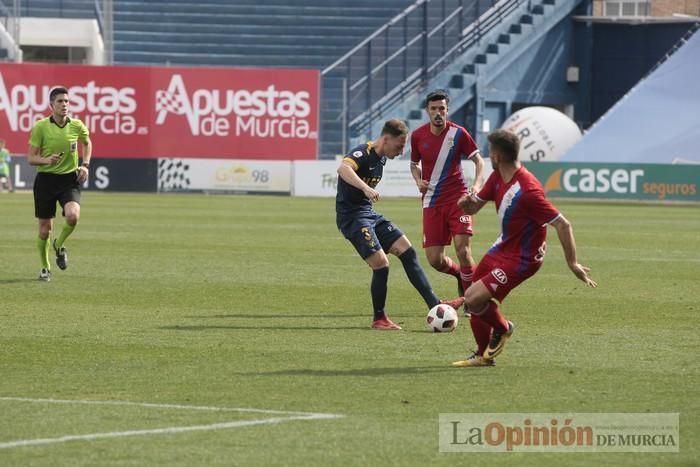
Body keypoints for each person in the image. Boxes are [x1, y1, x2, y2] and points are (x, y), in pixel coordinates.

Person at [452, 129, 597, 367]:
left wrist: (573, 263)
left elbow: (562, 224)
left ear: (497, 156)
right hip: (503, 246)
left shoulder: (528, 190)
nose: (490, 156)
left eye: (491, 152)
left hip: (523, 258)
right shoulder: (497, 176)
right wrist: (467, 204)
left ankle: (504, 328)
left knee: (473, 298)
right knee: (474, 300)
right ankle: (482, 356)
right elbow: (474, 207)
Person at [336, 118, 464, 330]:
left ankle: (435, 305)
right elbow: (343, 169)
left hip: (368, 214)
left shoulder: (382, 159)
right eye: (399, 145)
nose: (401, 150)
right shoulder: (363, 153)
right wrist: (366, 189)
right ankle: (379, 319)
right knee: (381, 264)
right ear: (386, 139)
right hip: (352, 218)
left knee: (408, 251)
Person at [410, 89, 485, 298]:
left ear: (447, 110)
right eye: (433, 109)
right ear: (427, 110)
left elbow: (479, 161)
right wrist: (418, 180)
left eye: (441, 108)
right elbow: (414, 164)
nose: (438, 113)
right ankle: (463, 276)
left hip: (458, 200)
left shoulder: (458, 133)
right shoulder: (417, 136)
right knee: (435, 260)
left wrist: (476, 185)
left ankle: (472, 299)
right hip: (432, 202)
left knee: (463, 250)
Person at [27, 86, 92, 282]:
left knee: (73, 217)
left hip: (68, 180)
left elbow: (87, 142)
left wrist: (85, 165)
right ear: (51, 105)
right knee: (45, 229)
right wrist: (48, 160)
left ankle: (59, 244)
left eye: (67, 101)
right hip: (46, 181)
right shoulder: (41, 127)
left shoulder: (77, 125)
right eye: (60, 101)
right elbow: (31, 157)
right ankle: (45, 267)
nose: (64, 105)